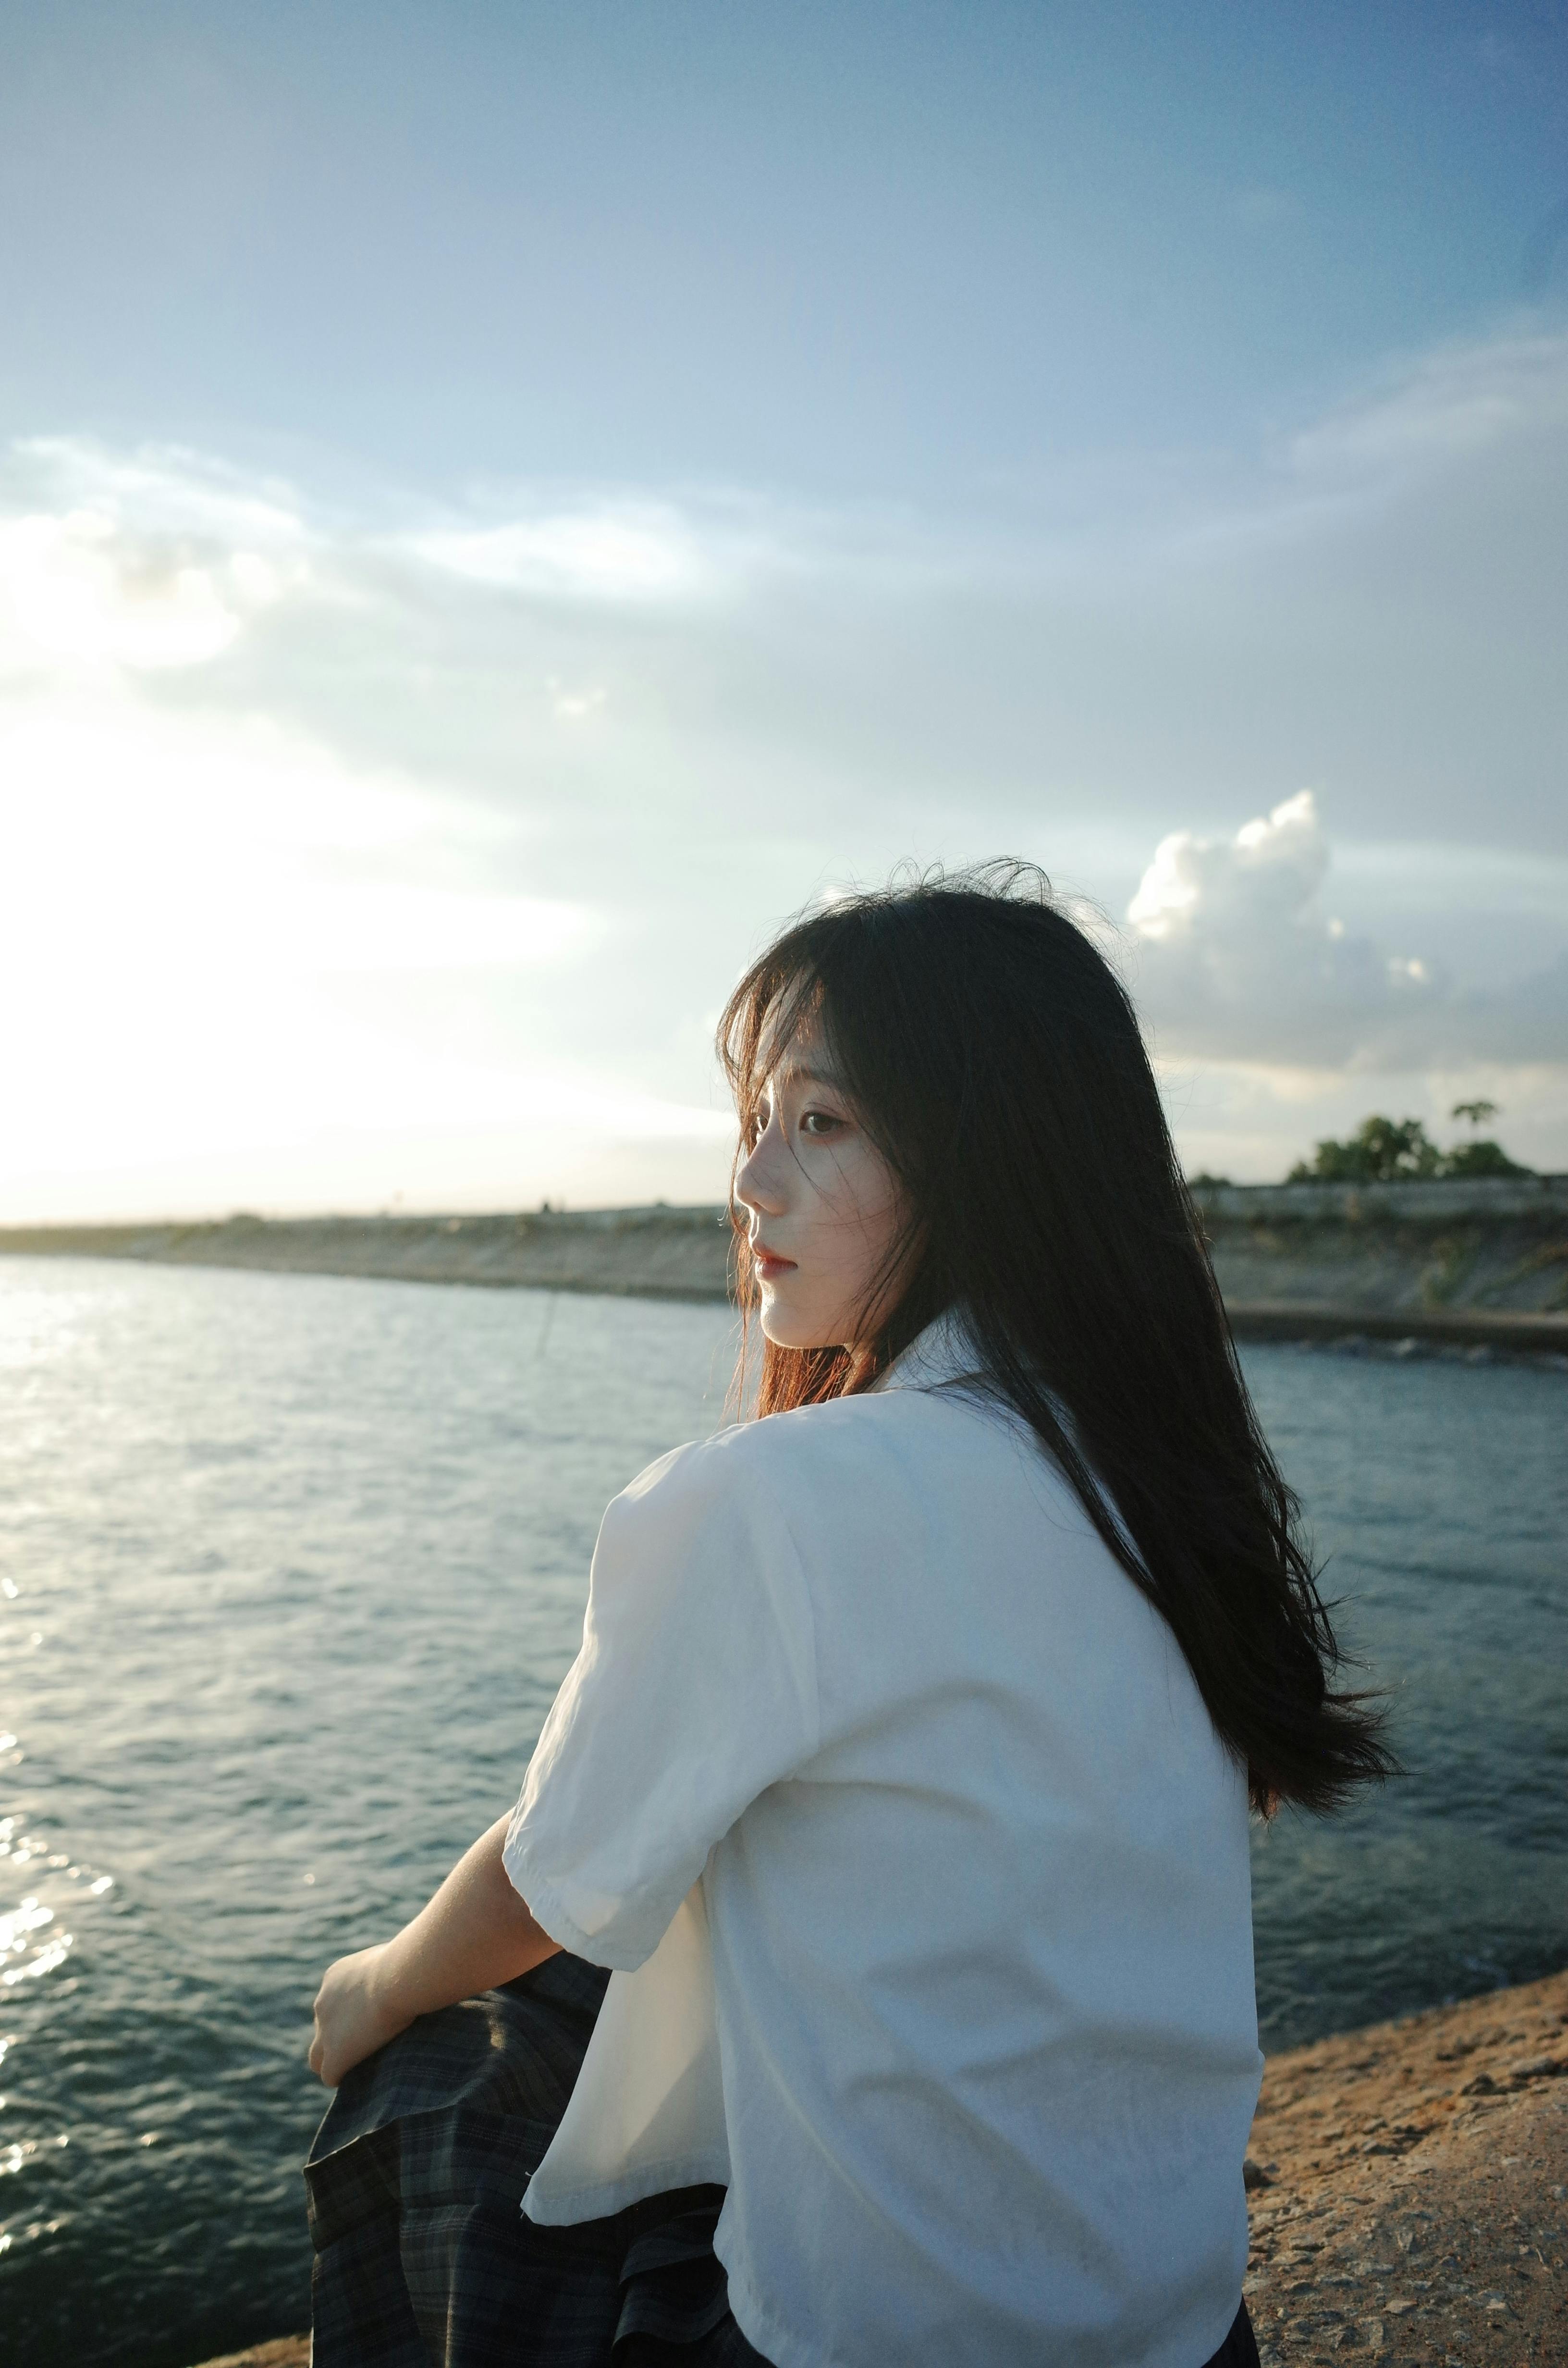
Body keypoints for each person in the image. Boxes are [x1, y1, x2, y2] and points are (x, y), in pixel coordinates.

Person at [306, 866, 1390, 2368]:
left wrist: (366, 1986)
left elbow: (550, 1882)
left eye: (820, 1124)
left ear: (982, 1162)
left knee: (437, 2046)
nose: (751, 1183)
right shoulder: (1141, 1472)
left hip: (872, 2345)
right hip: (1184, 2333)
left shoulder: (772, 1502)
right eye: (757, 1123)